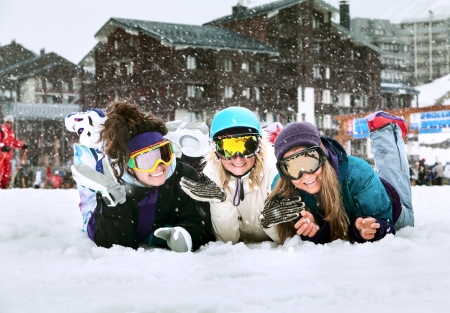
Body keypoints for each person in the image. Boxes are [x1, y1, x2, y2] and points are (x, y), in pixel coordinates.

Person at [69, 101, 214, 252]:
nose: (158, 165)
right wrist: (115, 205)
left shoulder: (183, 177)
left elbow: (201, 223)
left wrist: (188, 235)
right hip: (102, 206)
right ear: (129, 166)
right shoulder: (114, 185)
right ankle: (95, 138)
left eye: (163, 153)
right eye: (146, 160)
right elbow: (114, 244)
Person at [260, 111, 414, 244]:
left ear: (322, 156)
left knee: (391, 170)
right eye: (293, 168)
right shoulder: (282, 187)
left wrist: (373, 227)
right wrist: (316, 230)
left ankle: (386, 129)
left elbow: (386, 223)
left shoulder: (358, 172)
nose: (305, 175)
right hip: (358, 199)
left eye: (310, 161)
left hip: (388, 205)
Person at [180, 106, 280, 243]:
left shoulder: (273, 172)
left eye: (247, 147)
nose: (237, 157)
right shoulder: (212, 176)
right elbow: (227, 241)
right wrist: (220, 202)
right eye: (227, 149)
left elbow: (287, 239)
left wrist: (272, 222)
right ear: (215, 150)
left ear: (259, 146)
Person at [0, 115, 29, 189]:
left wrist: (23, 145)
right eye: (8, 122)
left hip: (7, 157)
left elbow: (14, 142)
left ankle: (3, 188)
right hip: (1, 156)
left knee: (7, 173)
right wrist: (2, 146)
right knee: (1, 171)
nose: (9, 123)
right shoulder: (2, 130)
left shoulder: (11, 132)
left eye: (11, 122)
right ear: (5, 122)